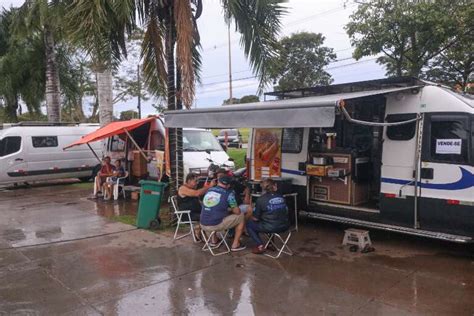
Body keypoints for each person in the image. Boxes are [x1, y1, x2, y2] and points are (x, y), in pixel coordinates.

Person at [200, 176, 246, 251]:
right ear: (228, 185)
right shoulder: (229, 194)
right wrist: (231, 208)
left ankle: (214, 241)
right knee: (241, 216)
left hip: (203, 224)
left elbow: (212, 206)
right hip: (214, 225)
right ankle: (235, 244)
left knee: (212, 213)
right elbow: (237, 211)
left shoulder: (209, 190)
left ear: (218, 182)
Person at [246, 178, 289, 254]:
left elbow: (255, 218)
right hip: (285, 226)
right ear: (274, 186)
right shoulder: (281, 197)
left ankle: (260, 245)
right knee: (270, 221)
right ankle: (271, 244)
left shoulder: (261, 199)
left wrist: (248, 216)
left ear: (263, 188)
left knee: (249, 224)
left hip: (271, 227)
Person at [177, 173, 216, 239]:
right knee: (210, 217)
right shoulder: (182, 188)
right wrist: (209, 186)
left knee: (214, 214)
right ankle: (212, 238)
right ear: (189, 181)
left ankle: (200, 230)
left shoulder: (191, 189)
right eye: (195, 181)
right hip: (188, 214)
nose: (197, 183)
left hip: (196, 213)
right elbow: (197, 193)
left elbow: (198, 199)